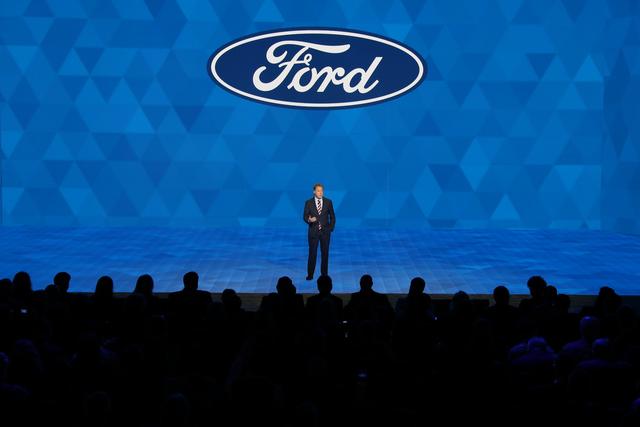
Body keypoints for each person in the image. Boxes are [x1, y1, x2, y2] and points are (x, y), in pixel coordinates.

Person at [303, 183, 336, 280]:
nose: (320, 192)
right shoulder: (308, 202)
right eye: (318, 190)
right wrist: (309, 220)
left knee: (325, 254)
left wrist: (330, 228)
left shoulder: (328, 202)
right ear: (314, 192)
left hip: (325, 233)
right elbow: (305, 216)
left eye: (321, 190)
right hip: (313, 232)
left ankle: (324, 275)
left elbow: (332, 216)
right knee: (312, 254)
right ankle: (310, 275)